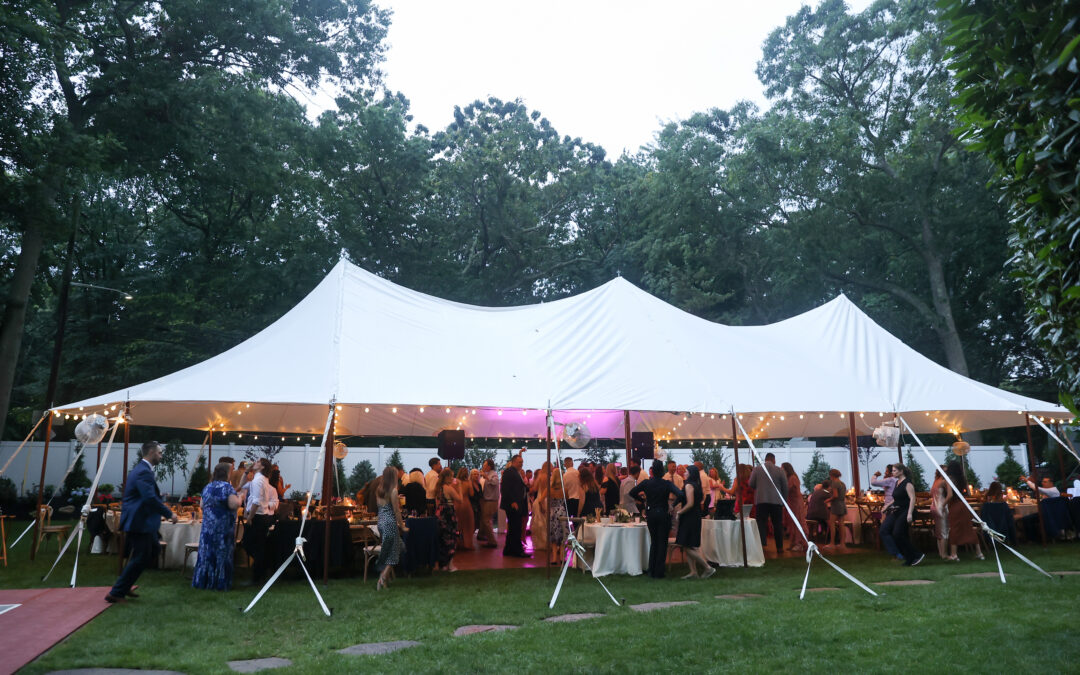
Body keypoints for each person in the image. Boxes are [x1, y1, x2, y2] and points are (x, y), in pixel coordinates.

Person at [106, 441, 178, 603]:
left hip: (143, 521)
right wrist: (169, 513)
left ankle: (124, 586)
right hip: (140, 521)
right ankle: (117, 592)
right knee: (142, 556)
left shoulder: (142, 470)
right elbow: (149, 497)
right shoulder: (144, 472)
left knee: (152, 551)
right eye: (159, 452)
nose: (161, 455)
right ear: (151, 452)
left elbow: (148, 496)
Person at [192, 462, 243, 591]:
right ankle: (220, 582)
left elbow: (202, 506)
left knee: (207, 554)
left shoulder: (208, 487)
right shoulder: (227, 488)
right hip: (222, 529)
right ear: (227, 473)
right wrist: (241, 498)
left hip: (208, 528)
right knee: (221, 555)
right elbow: (233, 505)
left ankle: (203, 581)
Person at [630, 460, 682, 579]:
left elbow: (632, 492)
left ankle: (651, 570)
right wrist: (672, 505)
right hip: (663, 513)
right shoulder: (666, 483)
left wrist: (643, 501)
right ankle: (659, 572)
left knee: (654, 542)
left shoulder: (646, 483)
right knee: (662, 543)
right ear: (663, 471)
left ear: (652, 470)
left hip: (651, 513)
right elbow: (680, 494)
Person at [675, 465, 715, 579]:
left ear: (691, 474)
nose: (684, 473)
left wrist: (679, 512)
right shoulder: (697, 485)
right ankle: (693, 572)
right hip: (695, 516)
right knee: (690, 545)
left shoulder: (688, 485)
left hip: (689, 517)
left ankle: (707, 567)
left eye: (686, 472)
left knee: (685, 545)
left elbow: (690, 503)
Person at [880, 463, 924, 567]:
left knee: (898, 533)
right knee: (884, 529)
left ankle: (916, 555)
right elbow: (896, 498)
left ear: (901, 471)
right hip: (896, 510)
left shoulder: (908, 483)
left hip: (906, 510)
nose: (892, 472)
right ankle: (905, 555)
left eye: (894, 471)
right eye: (892, 471)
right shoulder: (897, 483)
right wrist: (887, 506)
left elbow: (913, 499)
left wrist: (909, 514)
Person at [241, 458, 274, 583]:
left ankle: (259, 571)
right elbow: (241, 485)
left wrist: (250, 517)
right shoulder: (259, 479)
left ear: (262, 467)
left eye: (258, 462)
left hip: (257, 516)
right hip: (261, 516)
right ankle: (261, 570)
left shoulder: (258, 480)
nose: (255, 462)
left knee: (249, 544)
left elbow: (256, 501)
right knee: (256, 546)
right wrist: (246, 472)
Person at [749, 453, 788, 555]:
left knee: (761, 523)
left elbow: (751, 484)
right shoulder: (780, 470)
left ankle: (763, 546)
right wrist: (784, 501)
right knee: (777, 525)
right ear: (773, 460)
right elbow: (785, 487)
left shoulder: (757, 469)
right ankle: (779, 547)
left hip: (761, 501)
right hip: (776, 502)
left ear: (765, 460)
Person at [945, 461, 983, 561]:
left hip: (954, 506)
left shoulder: (949, 479)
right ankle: (979, 553)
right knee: (969, 528)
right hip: (964, 505)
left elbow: (950, 495)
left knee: (954, 529)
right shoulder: (963, 479)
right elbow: (969, 493)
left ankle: (954, 554)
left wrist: (942, 504)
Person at [375, 465, 406, 590]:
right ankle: (382, 578)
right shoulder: (393, 490)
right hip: (390, 523)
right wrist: (402, 526)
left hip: (381, 522)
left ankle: (385, 580)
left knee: (397, 547)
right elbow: (396, 511)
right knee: (394, 552)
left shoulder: (379, 489)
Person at [501, 455, 530, 557]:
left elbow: (518, 487)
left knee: (514, 528)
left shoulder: (516, 472)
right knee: (516, 528)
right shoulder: (509, 472)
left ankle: (509, 550)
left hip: (517, 504)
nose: (521, 464)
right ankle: (517, 551)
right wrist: (513, 501)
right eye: (519, 462)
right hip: (513, 505)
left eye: (522, 462)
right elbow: (505, 488)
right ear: (513, 462)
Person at [434, 468, 460, 572]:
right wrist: (460, 488)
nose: (453, 478)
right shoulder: (448, 488)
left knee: (442, 539)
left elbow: (437, 503)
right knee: (451, 538)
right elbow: (460, 499)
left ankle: (443, 564)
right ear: (447, 477)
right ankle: (450, 565)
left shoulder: (438, 488)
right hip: (449, 515)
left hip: (440, 514)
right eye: (452, 476)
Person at [781, 462, 807, 552]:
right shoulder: (789, 478)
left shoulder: (792, 478)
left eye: (783, 469)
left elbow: (788, 489)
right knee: (792, 524)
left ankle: (800, 543)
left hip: (796, 503)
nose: (782, 471)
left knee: (798, 523)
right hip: (791, 503)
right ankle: (793, 543)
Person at [548, 466, 569, 565]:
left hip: (552, 512)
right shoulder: (564, 489)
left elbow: (540, 500)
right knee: (562, 535)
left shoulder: (550, 489)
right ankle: (561, 557)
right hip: (562, 511)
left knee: (553, 535)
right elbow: (567, 499)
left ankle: (554, 558)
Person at [479, 459, 500, 548]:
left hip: (491, 501)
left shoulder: (493, 474)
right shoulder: (487, 474)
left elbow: (495, 482)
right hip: (486, 500)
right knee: (484, 519)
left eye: (484, 465)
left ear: (489, 466)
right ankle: (480, 535)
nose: (483, 467)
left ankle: (492, 541)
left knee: (486, 520)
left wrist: (486, 477)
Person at [929, 469, 950, 560]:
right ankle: (944, 554)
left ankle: (940, 553)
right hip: (941, 507)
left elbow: (930, 494)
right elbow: (950, 494)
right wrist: (943, 505)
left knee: (938, 531)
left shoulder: (935, 481)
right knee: (944, 531)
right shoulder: (944, 481)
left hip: (933, 506)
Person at [454, 467, 475, 550]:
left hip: (456, 504)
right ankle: (467, 544)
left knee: (457, 525)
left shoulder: (454, 482)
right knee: (468, 525)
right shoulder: (468, 482)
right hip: (466, 504)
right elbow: (472, 494)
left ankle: (457, 543)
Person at [826, 469, 848, 548]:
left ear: (831, 475)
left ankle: (832, 543)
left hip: (836, 505)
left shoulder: (835, 483)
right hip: (842, 504)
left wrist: (828, 500)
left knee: (832, 523)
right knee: (841, 524)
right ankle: (842, 544)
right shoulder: (843, 483)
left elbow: (835, 495)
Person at [531, 462, 550, 552]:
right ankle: (547, 543)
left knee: (539, 523)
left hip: (538, 500)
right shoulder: (548, 477)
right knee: (547, 523)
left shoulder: (540, 477)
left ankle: (541, 543)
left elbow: (534, 489)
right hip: (545, 500)